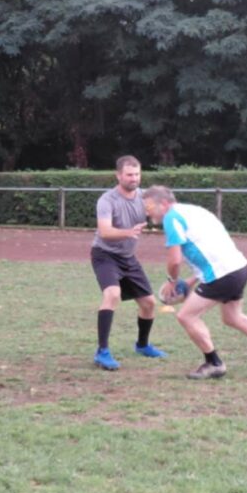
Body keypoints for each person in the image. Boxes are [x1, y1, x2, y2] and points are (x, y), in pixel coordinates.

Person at [141, 185, 247, 380]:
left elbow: (175, 260)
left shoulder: (171, 218)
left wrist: (173, 281)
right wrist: (191, 281)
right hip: (238, 268)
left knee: (186, 316)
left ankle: (214, 363)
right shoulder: (195, 211)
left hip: (222, 275)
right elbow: (210, 248)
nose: (147, 212)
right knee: (233, 317)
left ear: (163, 203)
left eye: (149, 206)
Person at [90, 155, 166, 371]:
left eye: (137, 174)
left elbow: (162, 212)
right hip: (104, 255)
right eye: (129, 175)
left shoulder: (144, 197)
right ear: (118, 175)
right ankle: (102, 351)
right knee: (112, 294)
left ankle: (142, 345)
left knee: (149, 303)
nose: (134, 178)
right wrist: (128, 232)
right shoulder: (107, 200)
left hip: (128, 258)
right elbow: (105, 232)